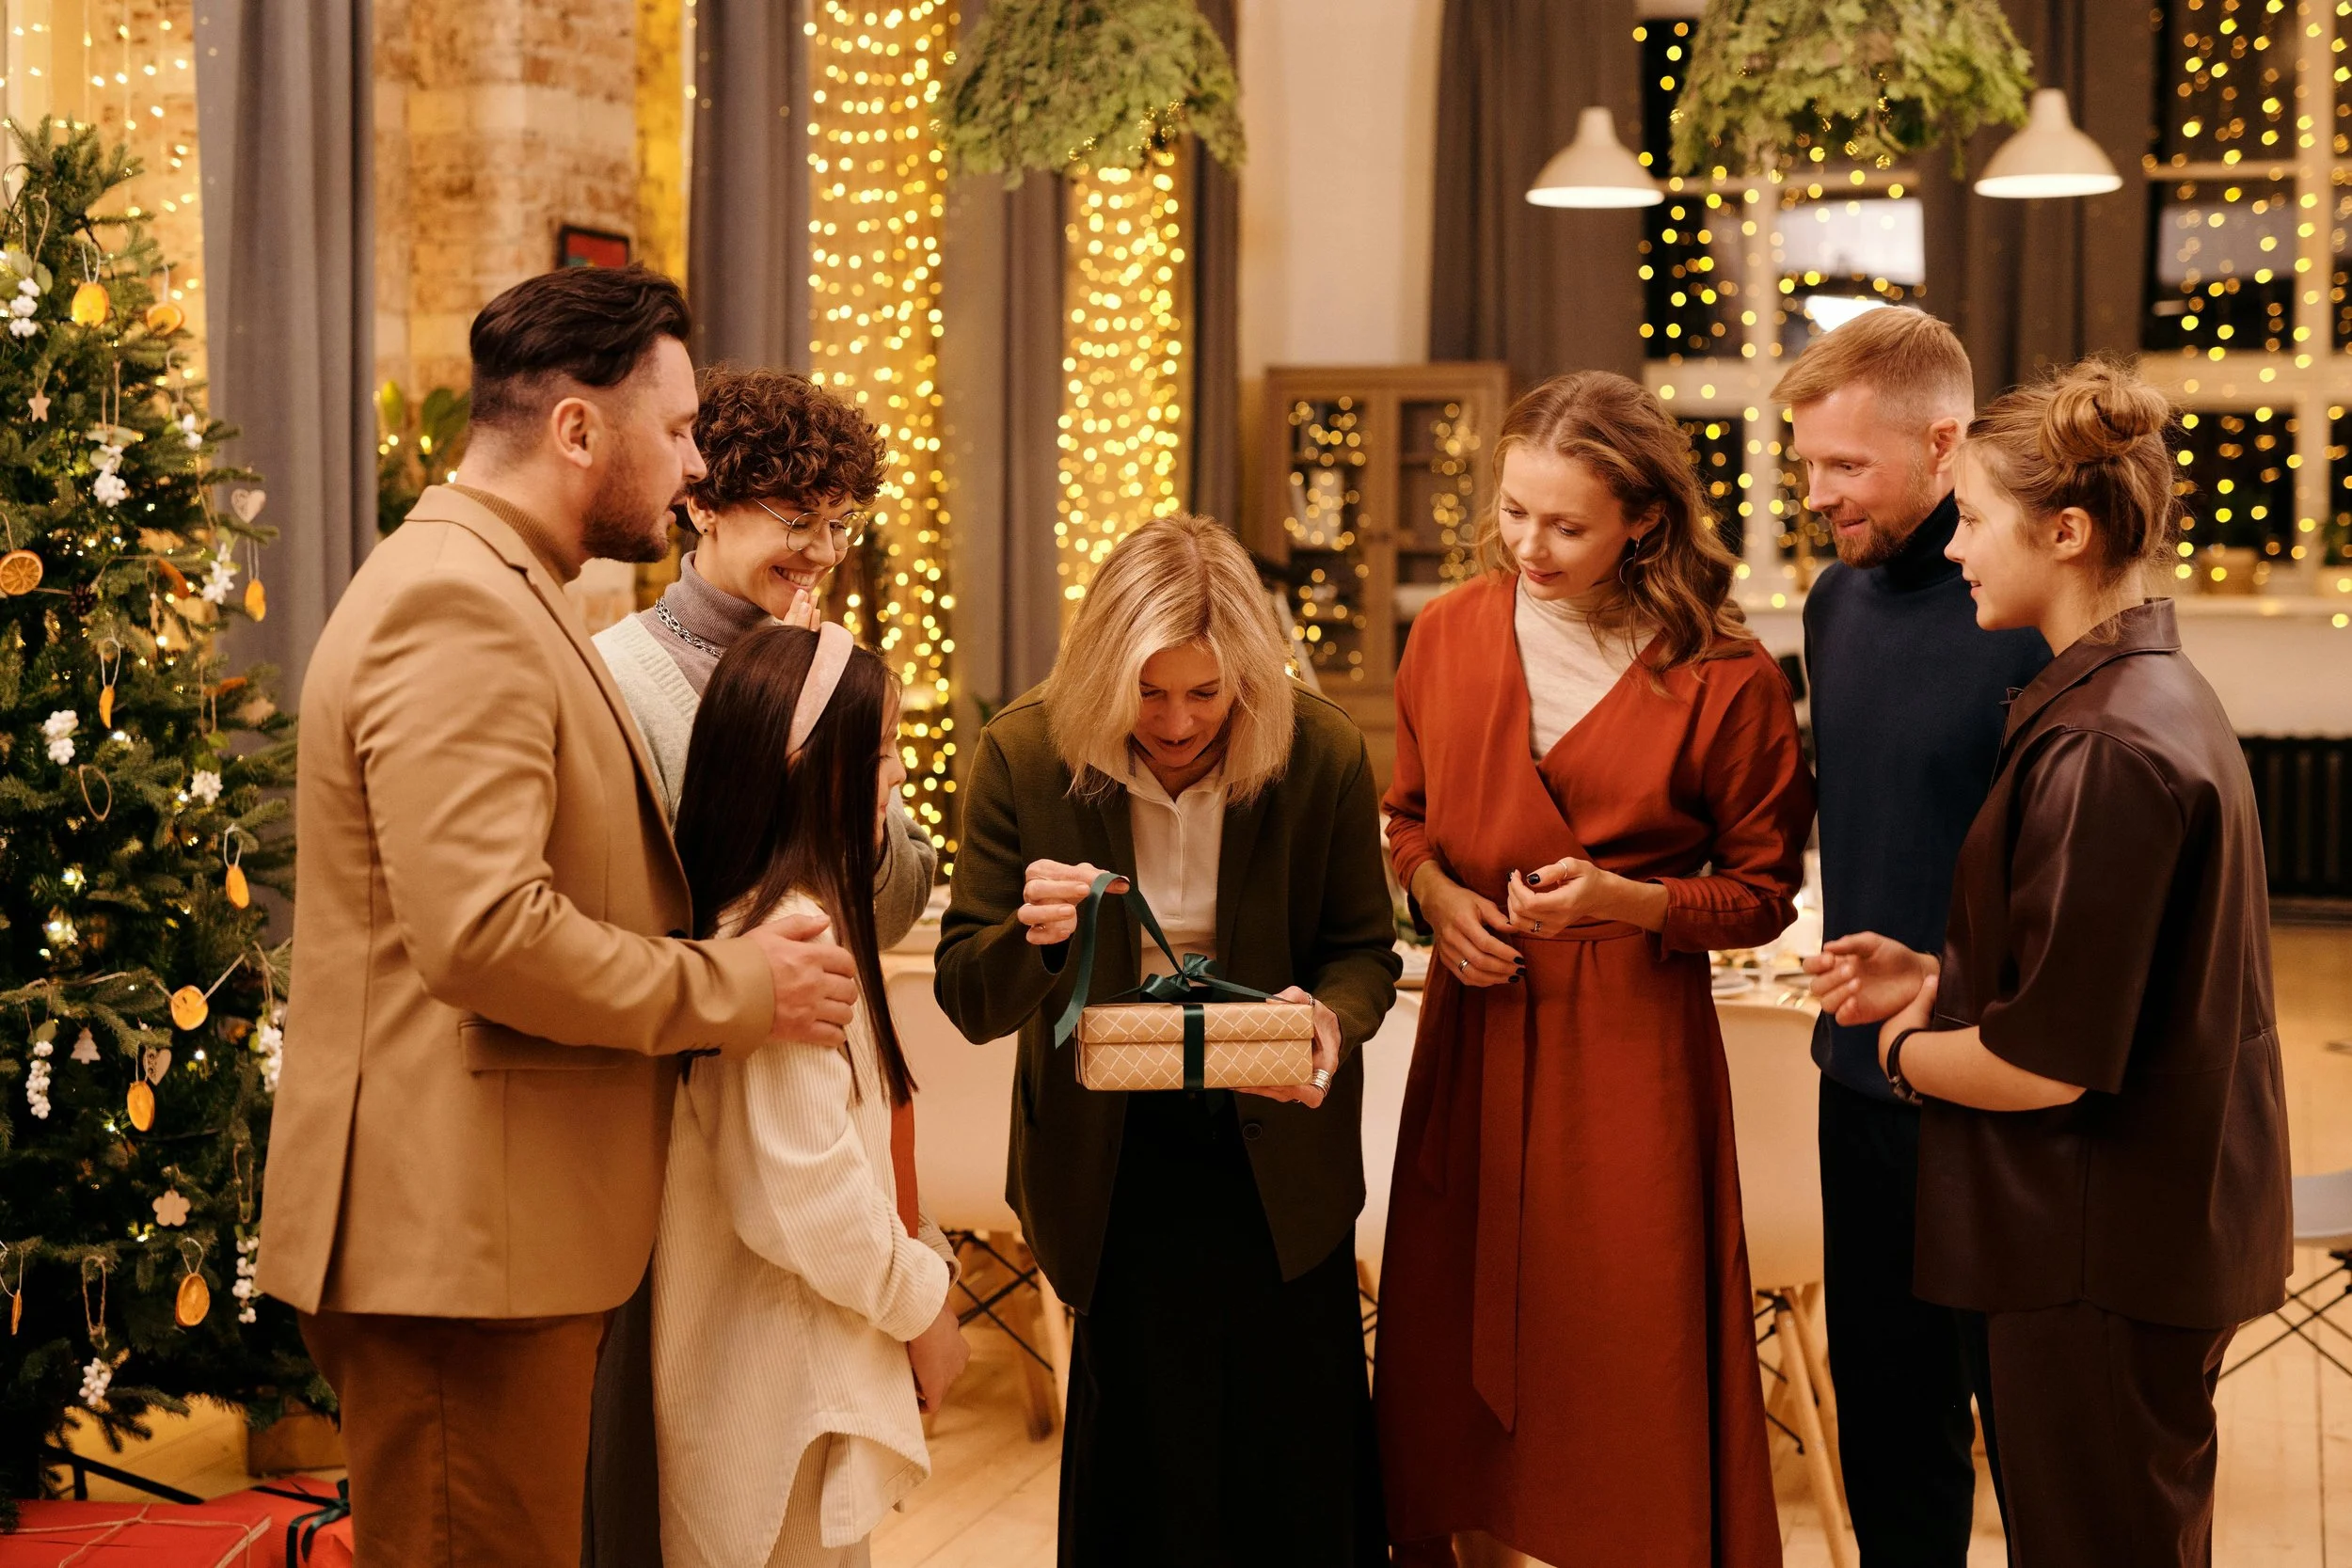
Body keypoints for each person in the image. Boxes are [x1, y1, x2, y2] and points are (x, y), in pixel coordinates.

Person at [259, 265, 861, 1566]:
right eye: (681, 427)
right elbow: (484, 932)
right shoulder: (456, 601)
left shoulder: (507, 585)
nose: (694, 461)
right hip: (458, 1243)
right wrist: (738, 983)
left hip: (495, 1233)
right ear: (579, 429)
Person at [1808, 358, 2293, 1568]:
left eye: (1971, 516)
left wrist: (1904, 1047)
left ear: (2066, 532)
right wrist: (1935, 973)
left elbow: (2046, 1061)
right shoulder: (2134, 696)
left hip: (2099, 1240)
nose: (1957, 547)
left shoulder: (2108, 743)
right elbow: (2097, 975)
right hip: (2120, 1229)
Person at [1375, 371, 1813, 1567]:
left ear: (1644, 520)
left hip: (1629, 1050)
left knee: (1623, 1334)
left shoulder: (1728, 677)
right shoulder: (1447, 633)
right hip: (1472, 1027)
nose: (1529, 544)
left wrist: (1626, 900)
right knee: (1450, 1326)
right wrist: (1438, 897)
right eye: (1515, 512)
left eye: (1565, 524)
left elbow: (1763, 893)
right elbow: (1405, 818)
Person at [934, 515, 1400, 1567]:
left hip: (1280, 1149)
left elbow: (1363, 955)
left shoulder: (1316, 748)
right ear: (1105, 671)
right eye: (1150, 692)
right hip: (1109, 1158)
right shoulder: (1022, 751)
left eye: (1206, 692)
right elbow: (968, 994)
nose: (1179, 722)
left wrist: (1328, 1020)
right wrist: (1034, 936)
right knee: (1142, 1469)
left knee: (1300, 1456)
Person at [583, 368, 949, 1567]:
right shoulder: (621, 680)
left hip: (801, 1043)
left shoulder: (834, 661)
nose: (823, 552)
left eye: (840, 524)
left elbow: (880, 900)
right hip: (672, 1088)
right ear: (703, 507)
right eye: (799, 521)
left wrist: (873, 807)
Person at [1777, 306, 2049, 1560]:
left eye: (1846, 464)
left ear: (1945, 443)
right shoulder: (1832, 605)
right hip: (1859, 1074)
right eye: (1807, 462)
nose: (1818, 491)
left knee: (2035, 1426)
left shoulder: (2031, 606)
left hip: (2007, 1080)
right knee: (1890, 1426)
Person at [653, 622, 967, 1568]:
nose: (898, 778)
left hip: (792, 1371)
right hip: (774, 1388)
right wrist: (926, 1299)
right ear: (809, 763)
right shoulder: (784, 933)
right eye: (878, 752)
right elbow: (802, 1196)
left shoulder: (785, 913)